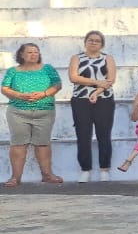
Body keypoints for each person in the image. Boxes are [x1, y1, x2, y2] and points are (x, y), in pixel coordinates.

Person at [3, 42, 62, 185]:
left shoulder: (48, 69)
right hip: (18, 113)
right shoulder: (12, 71)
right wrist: (19, 95)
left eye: (36, 52)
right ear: (21, 55)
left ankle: (47, 175)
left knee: (43, 144)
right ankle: (15, 178)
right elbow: (4, 88)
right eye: (29, 52)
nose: (33, 54)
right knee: (18, 144)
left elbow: (57, 85)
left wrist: (44, 94)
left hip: (44, 112)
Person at [64, 29, 117, 182]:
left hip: (104, 99)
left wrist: (96, 92)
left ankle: (104, 169)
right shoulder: (76, 58)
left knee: (104, 134)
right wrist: (96, 82)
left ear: (102, 44)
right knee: (83, 134)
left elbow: (110, 80)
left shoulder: (108, 58)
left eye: (97, 41)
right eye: (91, 40)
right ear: (85, 42)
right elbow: (73, 77)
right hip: (80, 100)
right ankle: (85, 169)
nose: (93, 42)